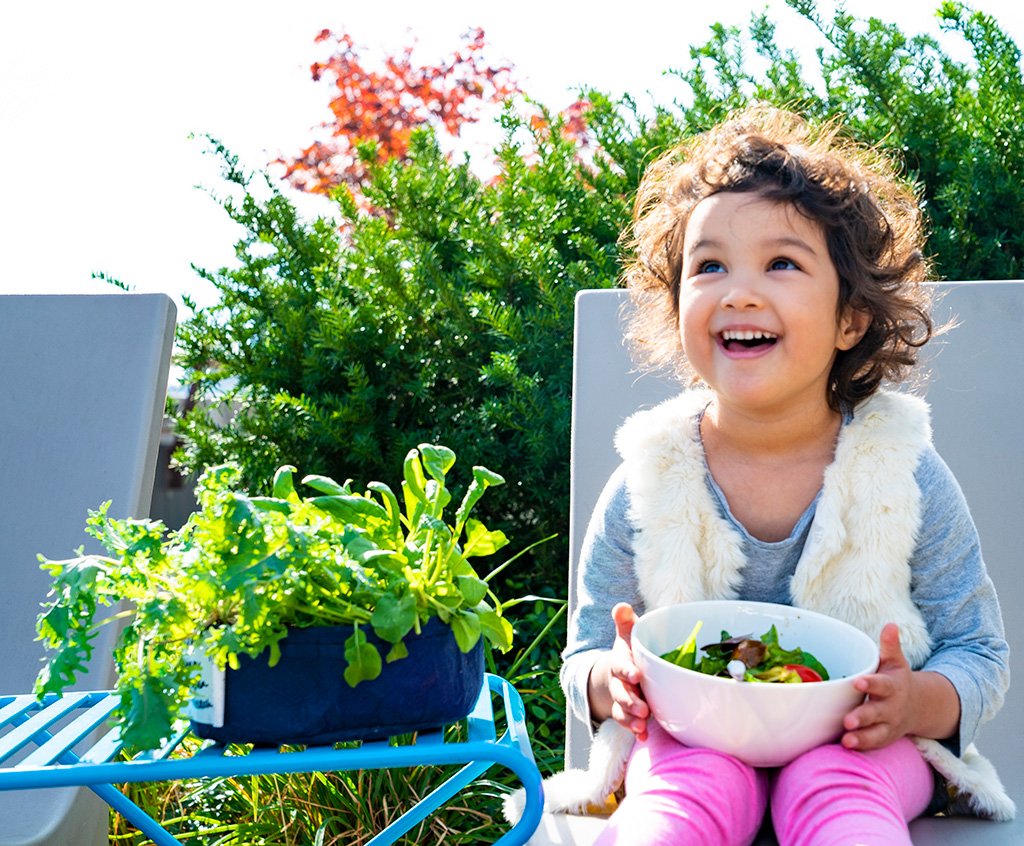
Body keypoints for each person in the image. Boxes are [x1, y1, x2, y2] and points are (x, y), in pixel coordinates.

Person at [557, 105, 1013, 845]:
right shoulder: (649, 478)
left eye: (781, 263)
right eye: (709, 266)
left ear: (850, 321)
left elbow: (979, 651)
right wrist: (611, 685)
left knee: (839, 792)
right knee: (675, 805)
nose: (738, 291)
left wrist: (915, 704)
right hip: (693, 744)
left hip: (863, 752)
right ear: (675, 307)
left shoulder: (902, 473)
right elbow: (585, 651)